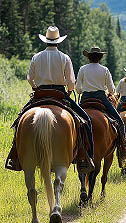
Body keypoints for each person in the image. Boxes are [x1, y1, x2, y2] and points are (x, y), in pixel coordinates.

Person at [5, 26, 95, 173]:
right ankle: (86, 157)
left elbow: (29, 78)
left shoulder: (36, 57)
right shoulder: (65, 57)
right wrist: (70, 91)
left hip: (40, 93)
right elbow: (71, 81)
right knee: (85, 121)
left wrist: (35, 87)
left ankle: (14, 156)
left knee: (19, 120)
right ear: (58, 42)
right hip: (59, 93)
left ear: (46, 41)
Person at [76, 47, 126, 159]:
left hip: (85, 98)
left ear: (89, 57)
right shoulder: (104, 70)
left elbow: (78, 89)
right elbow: (111, 90)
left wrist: (84, 89)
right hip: (101, 97)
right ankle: (123, 146)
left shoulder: (82, 69)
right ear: (100, 57)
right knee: (119, 120)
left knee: (73, 119)